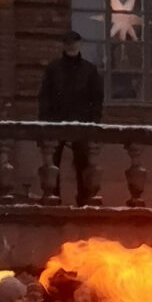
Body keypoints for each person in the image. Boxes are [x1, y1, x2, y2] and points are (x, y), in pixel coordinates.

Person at [38, 31, 105, 202]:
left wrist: (93, 122)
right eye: (68, 43)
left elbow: (96, 99)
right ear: (64, 45)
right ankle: (54, 197)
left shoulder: (89, 70)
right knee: (53, 164)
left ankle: (83, 199)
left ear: (79, 44)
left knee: (82, 163)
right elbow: (45, 97)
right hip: (56, 122)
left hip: (81, 123)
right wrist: (45, 123)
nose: (71, 46)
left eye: (74, 42)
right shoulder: (54, 69)